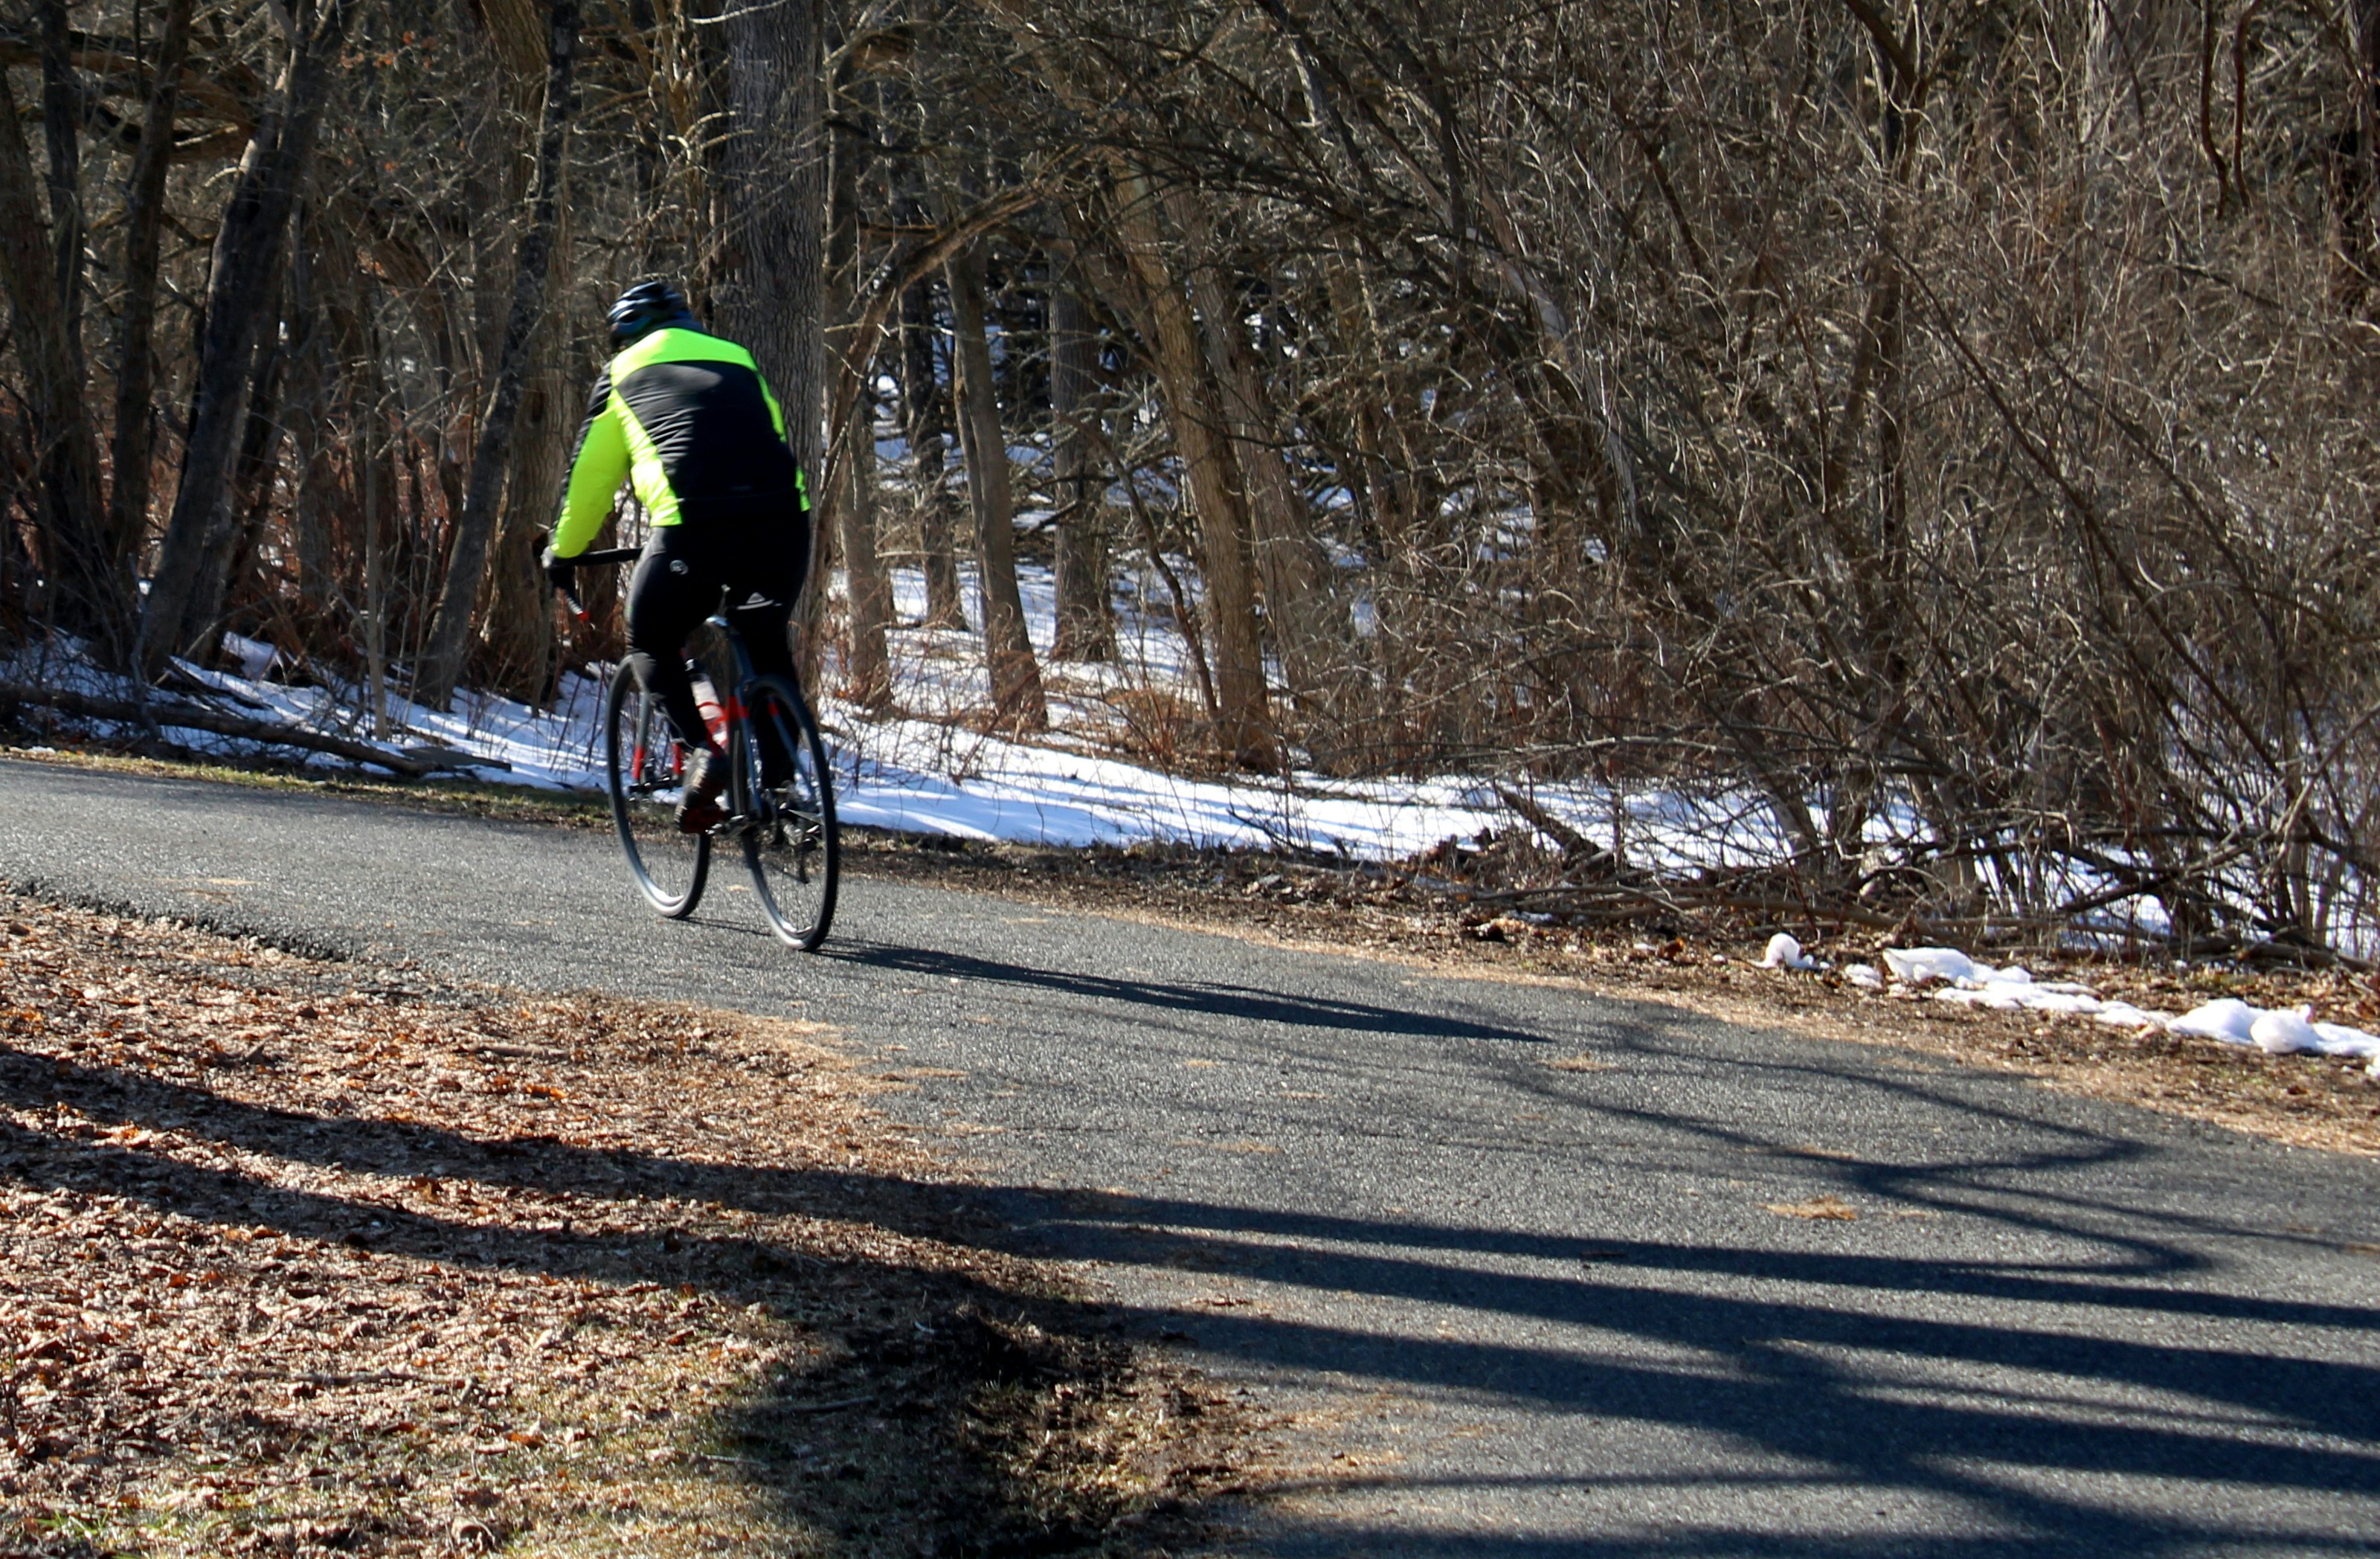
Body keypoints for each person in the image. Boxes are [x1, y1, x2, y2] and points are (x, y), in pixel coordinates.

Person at [544, 280, 811, 830]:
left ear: (625, 335)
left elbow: (590, 483)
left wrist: (563, 554)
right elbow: (775, 436)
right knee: (765, 636)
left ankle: (701, 753)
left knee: (649, 636)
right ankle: (784, 784)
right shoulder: (738, 358)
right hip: (785, 521)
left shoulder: (621, 374)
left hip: (694, 525)